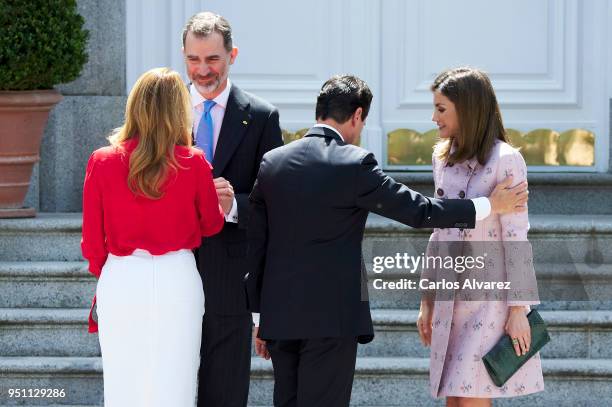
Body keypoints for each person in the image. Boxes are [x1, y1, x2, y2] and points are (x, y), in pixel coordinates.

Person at [245, 74, 529, 407]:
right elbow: (420, 212)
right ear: (357, 116)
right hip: (332, 320)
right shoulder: (353, 164)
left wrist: (259, 318)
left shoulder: (272, 163)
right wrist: (489, 205)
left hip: (281, 318)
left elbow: (256, 244)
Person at [81, 67, 224, 406]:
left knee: (122, 383)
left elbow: (91, 240)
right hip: (177, 276)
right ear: (178, 110)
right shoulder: (194, 162)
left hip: (122, 273)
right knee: (176, 379)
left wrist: (108, 273)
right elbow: (213, 226)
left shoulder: (102, 161)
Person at [417, 67, 544, 406]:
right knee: (453, 399)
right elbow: (438, 234)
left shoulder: (507, 160)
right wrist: (426, 300)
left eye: (441, 108)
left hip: (489, 302)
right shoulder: (442, 157)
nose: (434, 117)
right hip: (450, 298)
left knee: (471, 395)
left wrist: (519, 309)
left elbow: (517, 238)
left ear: (468, 108)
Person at [181, 12, 284, 406]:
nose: (202, 70)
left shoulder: (260, 117)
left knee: (224, 391)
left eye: (213, 59)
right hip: (170, 265)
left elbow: (275, 200)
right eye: (193, 59)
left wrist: (232, 206)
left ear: (232, 55)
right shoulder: (165, 113)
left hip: (229, 276)